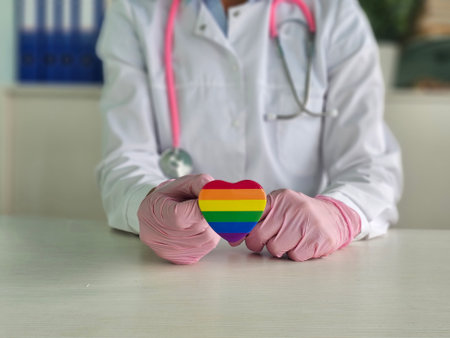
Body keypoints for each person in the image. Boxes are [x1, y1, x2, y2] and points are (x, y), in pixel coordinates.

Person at [96, 0, 403, 265]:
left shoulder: (333, 12)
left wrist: (340, 214)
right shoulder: (136, 10)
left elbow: (370, 162)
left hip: (304, 270)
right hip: (178, 274)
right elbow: (126, 155)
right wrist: (145, 202)